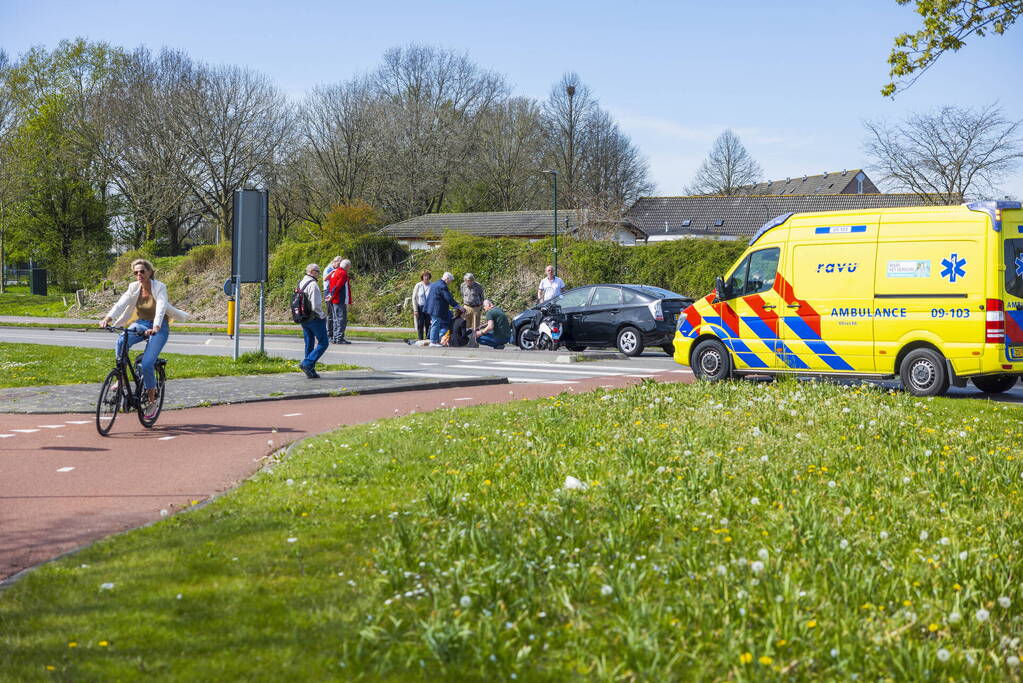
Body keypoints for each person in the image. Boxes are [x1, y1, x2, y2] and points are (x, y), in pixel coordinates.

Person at [101, 258, 190, 407]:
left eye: (142, 271)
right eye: (136, 272)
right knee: (122, 340)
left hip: (159, 326)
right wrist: (108, 318)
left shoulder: (160, 287)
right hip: (141, 324)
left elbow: (161, 307)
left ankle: (151, 400)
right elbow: (121, 303)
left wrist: (156, 327)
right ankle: (121, 377)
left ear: (150, 272)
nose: (139, 275)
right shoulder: (133, 287)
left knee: (147, 364)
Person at [297, 263, 329, 378]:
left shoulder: (301, 282)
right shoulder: (313, 284)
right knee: (324, 343)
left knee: (309, 343)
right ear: (312, 271)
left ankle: (310, 370)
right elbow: (316, 305)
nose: (319, 274)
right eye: (318, 271)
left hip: (303, 317)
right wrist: (322, 315)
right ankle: (307, 363)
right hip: (314, 318)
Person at [425, 271, 461, 344]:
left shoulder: (435, 283)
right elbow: (448, 298)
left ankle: (434, 341)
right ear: (447, 278)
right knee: (435, 325)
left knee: (435, 324)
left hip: (432, 308)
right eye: (450, 281)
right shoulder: (442, 286)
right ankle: (433, 342)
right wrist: (458, 306)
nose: (450, 283)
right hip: (436, 309)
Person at [326, 258, 353, 344]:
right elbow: (338, 286)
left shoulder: (335, 272)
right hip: (339, 299)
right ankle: (339, 338)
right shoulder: (342, 273)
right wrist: (332, 295)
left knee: (335, 319)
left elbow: (330, 285)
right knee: (341, 319)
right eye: (349, 267)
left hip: (334, 299)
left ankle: (335, 337)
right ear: (347, 266)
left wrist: (330, 295)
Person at [322, 256, 341, 339]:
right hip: (328, 292)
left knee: (334, 313)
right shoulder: (329, 269)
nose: (340, 265)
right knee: (330, 313)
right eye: (339, 263)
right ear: (334, 262)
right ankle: (328, 334)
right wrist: (333, 272)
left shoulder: (336, 269)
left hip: (332, 291)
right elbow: (325, 279)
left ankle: (333, 333)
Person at [411, 270, 432, 341]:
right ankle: (420, 339)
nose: (426, 277)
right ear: (422, 277)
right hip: (420, 307)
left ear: (429, 277)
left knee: (428, 324)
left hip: (429, 307)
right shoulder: (418, 285)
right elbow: (414, 298)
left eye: (427, 276)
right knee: (420, 324)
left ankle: (428, 339)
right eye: (424, 276)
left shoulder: (432, 285)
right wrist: (415, 309)